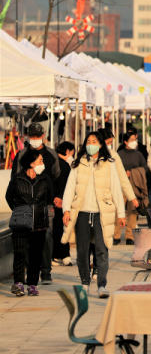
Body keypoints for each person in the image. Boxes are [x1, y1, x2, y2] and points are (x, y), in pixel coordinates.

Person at [62, 132, 126, 298]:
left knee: (101, 249)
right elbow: (70, 188)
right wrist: (66, 209)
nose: (91, 144)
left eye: (94, 141)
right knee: (82, 251)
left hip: (101, 213)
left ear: (100, 145)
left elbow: (116, 189)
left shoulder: (108, 164)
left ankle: (102, 285)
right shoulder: (78, 164)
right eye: (88, 141)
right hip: (82, 212)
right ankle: (84, 282)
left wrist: (121, 213)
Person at [11, 122, 62, 285]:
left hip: (45, 205)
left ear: (43, 136)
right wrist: (17, 207)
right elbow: (15, 180)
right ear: (27, 136)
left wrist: (58, 196)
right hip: (25, 205)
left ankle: (46, 272)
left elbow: (58, 177)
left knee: (45, 237)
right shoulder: (21, 155)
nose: (34, 139)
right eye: (31, 136)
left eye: (37, 136)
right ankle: (30, 272)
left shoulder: (51, 154)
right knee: (26, 240)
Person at [6, 150, 53, 297]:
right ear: (30, 163)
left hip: (39, 220)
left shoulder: (45, 179)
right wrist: (19, 210)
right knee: (19, 252)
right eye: (40, 161)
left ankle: (32, 283)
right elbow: (9, 196)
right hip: (21, 218)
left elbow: (50, 197)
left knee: (35, 255)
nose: (42, 164)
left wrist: (40, 209)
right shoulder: (17, 178)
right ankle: (18, 283)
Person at [114, 131, 148, 244]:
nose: (135, 142)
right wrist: (123, 174)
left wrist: (132, 173)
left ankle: (130, 236)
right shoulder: (119, 154)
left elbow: (145, 168)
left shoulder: (138, 154)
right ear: (125, 141)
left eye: (135, 139)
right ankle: (116, 235)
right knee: (118, 210)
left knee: (133, 212)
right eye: (132, 139)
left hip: (134, 186)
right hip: (120, 186)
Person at [52, 140, 75, 266]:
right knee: (61, 228)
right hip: (61, 201)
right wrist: (60, 198)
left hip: (58, 200)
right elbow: (63, 183)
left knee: (59, 228)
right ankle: (61, 255)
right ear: (67, 151)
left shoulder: (55, 162)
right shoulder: (63, 165)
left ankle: (60, 255)